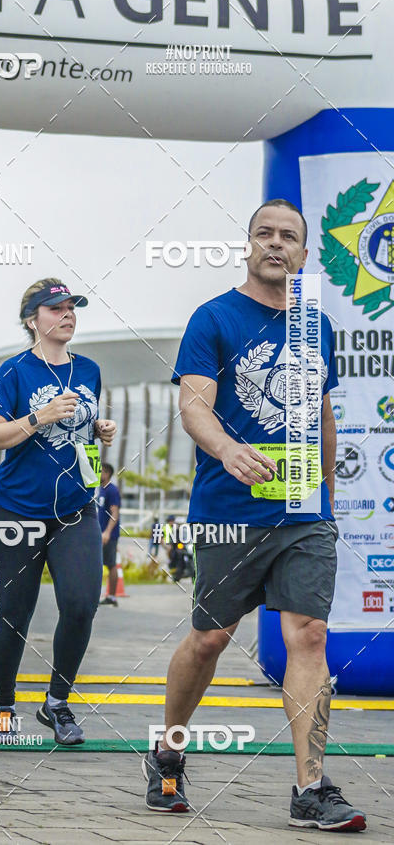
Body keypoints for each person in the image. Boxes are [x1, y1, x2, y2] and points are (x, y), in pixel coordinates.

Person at [142, 199, 367, 832]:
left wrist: (327, 490)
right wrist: (227, 449)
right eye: (264, 234)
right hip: (229, 510)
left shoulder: (315, 324)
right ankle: (168, 750)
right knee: (212, 638)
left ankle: (310, 787)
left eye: (288, 237)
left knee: (309, 636)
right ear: (248, 245)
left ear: (302, 253)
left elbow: (321, 410)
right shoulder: (213, 318)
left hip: (304, 513)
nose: (276, 244)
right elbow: (194, 407)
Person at [0, 278, 117, 745]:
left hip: (76, 509)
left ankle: (57, 703)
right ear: (31, 319)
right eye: (55, 308)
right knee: (15, 614)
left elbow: (80, 430)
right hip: (17, 510)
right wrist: (41, 416)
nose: (68, 314)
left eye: (72, 307)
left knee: (81, 605)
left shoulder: (91, 369)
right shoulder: (14, 372)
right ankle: (3, 704)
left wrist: (99, 428)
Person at [97, 463, 121, 606]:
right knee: (99, 564)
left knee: (111, 564)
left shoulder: (112, 490)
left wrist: (107, 532)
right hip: (100, 534)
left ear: (106, 473)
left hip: (109, 535)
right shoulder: (101, 490)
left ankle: (112, 596)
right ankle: (101, 595)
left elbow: (115, 513)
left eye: (100, 471)